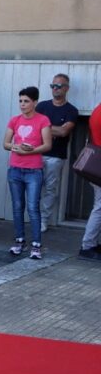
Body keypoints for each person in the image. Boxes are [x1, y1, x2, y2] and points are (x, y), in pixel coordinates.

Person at [2, 86, 52, 259]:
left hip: (33, 170)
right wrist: (16, 147)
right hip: (15, 168)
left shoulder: (43, 120)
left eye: (26, 101)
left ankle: (36, 244)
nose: (22, 105)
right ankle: (19, 240)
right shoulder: (14, 120)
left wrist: (29, 151)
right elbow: (6, 143)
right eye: (20, 101)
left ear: (35, 102)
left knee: (32, 207)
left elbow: (47, 144)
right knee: (17, 207)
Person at [36, 74, 78, 232]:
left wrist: (43, 128)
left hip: (56, 156)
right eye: (53, 86)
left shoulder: (71, 110)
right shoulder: (42, 106)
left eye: (59, 86)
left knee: (50, 188)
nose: (55, 89)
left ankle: (43, 220)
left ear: (67, 88)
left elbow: (63, 132)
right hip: (37, 153)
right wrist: (52, 130)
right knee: (34, 186)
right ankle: (34, 217)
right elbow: (34, 126)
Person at [80, 102, 101, 261]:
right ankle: (87, 246)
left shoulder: (97, 110)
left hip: (96, 165)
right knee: (100, 207)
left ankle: (91, 243)